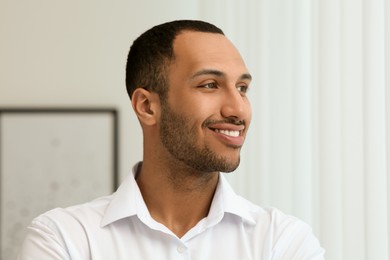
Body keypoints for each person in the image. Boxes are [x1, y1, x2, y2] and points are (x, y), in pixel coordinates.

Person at [18, 20, 325, 259]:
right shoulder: (64, 239)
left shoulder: (282, 241)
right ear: (147, 106)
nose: (237, 109)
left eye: (242, 88)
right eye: (209, 85)